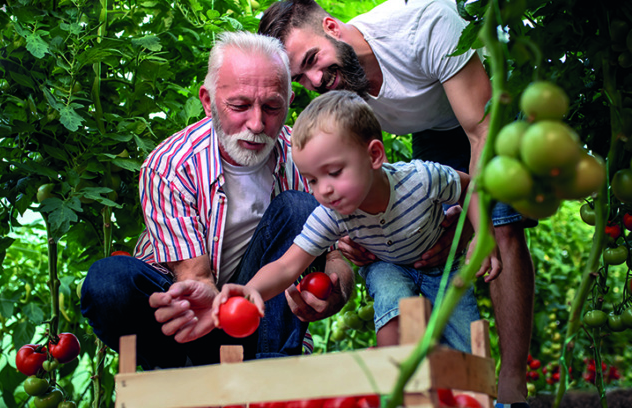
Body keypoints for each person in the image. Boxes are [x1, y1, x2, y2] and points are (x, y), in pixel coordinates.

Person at [258, 1, 535, 406]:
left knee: (501, 225)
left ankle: (512, 383)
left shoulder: (425, 26)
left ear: (333, 26)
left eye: (313, 60)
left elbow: (480, 132)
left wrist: (475, 226)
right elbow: (361, 179)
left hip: (490, 107)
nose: (315, 80)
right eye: (300, 78)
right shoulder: (340, 94)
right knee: (441, 241)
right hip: (433, 126)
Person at [80, 31, 353, 369]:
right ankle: (176, 374)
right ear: (208, 101)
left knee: (297, 206)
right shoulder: (170, 166)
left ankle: (273, 373)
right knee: (108, 282)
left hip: (259, 314)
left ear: (290, 101)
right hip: (187, 313)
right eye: (239, 106)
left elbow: (337, 251)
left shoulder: (304, 155)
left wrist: (337, 289)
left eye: (271, 107)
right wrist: (208, 300)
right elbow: (194, 278)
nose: (256, 124)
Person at [213, 90, 500, 352]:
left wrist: (482, 233)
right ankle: (392, 381)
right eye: (312, 180)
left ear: (374, 155)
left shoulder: (422, 179)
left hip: (442, 267)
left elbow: (469, 188)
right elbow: (288, 264)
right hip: (387, 265)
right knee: (391, 298)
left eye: (334, 172)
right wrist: (252, 289)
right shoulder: (332, 213)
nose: (323, 189)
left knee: (466, 342)